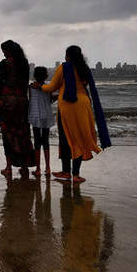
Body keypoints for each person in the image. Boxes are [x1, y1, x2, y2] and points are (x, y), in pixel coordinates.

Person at [38, 45, 112, 183]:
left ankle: (66, 172)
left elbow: (52, 87)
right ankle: (76, 175)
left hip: (68, 106)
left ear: (67, 56)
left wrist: (40, 86)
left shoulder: (64, 67)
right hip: (84, 105)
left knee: (66, 138)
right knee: (79, 137)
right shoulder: (84, 68)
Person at [0, 40, 37, 177]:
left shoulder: (4, 63)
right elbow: (24, 84)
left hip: (7, 102)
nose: (3, 53)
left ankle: (8, 167)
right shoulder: (24, 63)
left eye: (4, 50)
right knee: (22, 133)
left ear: (9, 50)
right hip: (22, 102)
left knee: (7, 134)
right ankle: (24, 166)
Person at [28, 66, 56, 176]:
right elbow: (49, 100)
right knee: (46, 142)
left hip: (35, 116)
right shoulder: (48, 87)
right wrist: (58, 96)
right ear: (46, 76)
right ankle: (48, 168)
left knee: (37, 143)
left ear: (34, 75)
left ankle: (38, 169)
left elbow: (30, 100)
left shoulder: (31, 87)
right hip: (46, 116)